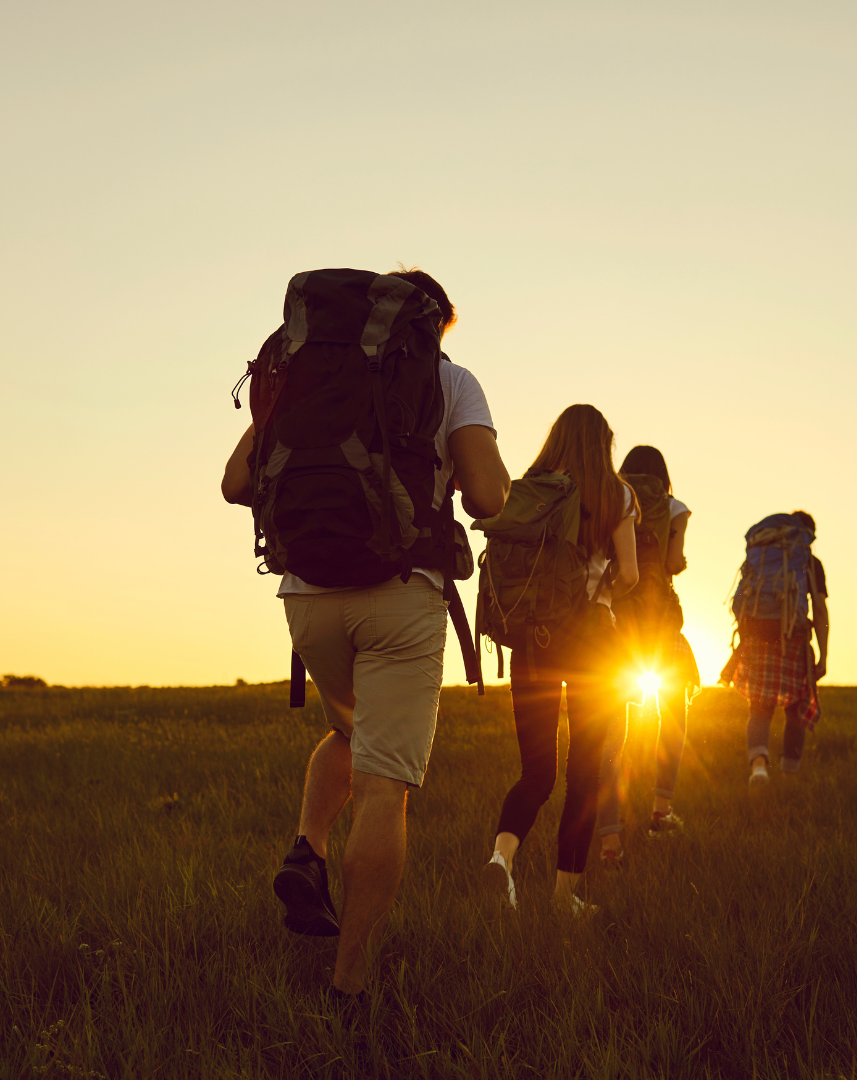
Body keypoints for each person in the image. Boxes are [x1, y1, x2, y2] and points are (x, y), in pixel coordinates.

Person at [222, 268, 509, 996]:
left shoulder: (314, 372)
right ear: (435, 323)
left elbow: (234, 482)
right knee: (386, 787)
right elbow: (485, 494)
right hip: (401, 592)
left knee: (352, 734)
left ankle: (307, 849)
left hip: (306, 596)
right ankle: (350, 988)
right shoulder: (451, 381)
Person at [486, 405, 638, 913]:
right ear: (603, 444)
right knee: (585, 774)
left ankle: (502, 860)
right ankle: (562, 897)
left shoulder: (532, 489)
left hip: (535, 639)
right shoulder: (616, 494)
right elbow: (633, 575)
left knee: (537, 773)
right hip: (593, 643)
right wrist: (602, 592)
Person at [596, 445, 700, 865]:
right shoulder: (675, 507)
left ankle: (609, 841)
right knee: (674, 714)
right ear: (663, 475)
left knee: (608, 735)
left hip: (615, 619)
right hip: (660, 622)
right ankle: (661, 811)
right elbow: (673, 563)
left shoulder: (612, 497)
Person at [724, 510, 827, 783]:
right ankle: (789, 777)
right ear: (808, 535)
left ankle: (758, 767)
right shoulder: (808, 562)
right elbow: (819, 608)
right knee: (795, 708)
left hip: (757, 635)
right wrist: (824, 654)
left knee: (759, 708)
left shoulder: (760, 558)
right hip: (792, 638)